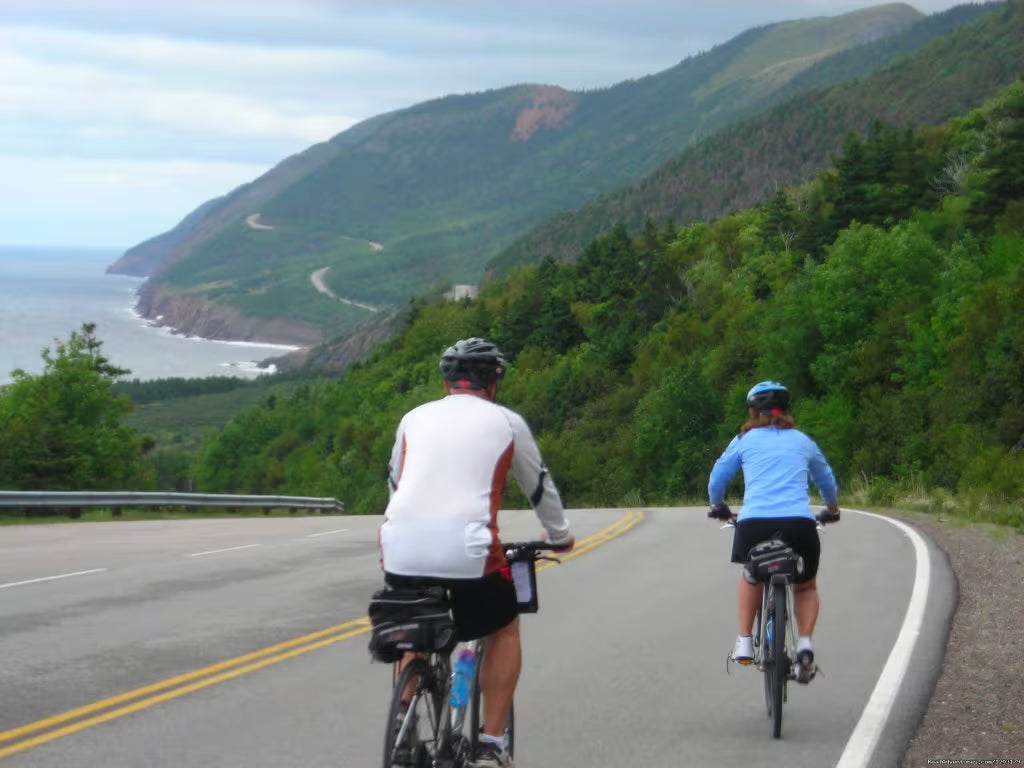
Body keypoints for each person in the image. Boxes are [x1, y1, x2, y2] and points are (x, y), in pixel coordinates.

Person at [379, 337, 574, 768]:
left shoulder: (413, 418)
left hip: (400, 544)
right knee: (503, 627)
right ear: (494, 381)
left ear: (446, 380)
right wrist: (559, 534)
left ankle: (404, 724)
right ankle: (490, 740)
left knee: (417, 623)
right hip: (468, 550)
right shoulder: (506, 422)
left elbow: (395, 482)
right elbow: (538, 487)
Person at [707, 380, 840, 683]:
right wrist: (831, 509)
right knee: (805, 586)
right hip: (799, 526)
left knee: (751, 573)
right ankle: (804, 645)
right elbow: (827, 480)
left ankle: (744, 641)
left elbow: (717, 479)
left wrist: (719, 506)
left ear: (753, 410)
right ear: (786, 410)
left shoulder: (744, 440)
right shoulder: (803, 441)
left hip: (754, 525)